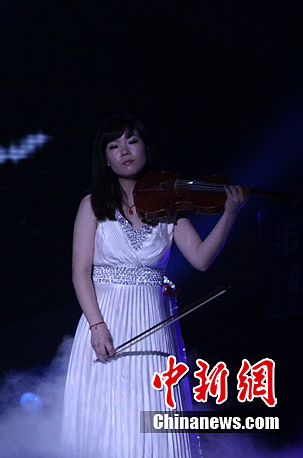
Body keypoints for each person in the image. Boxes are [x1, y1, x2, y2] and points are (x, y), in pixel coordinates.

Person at [60, 113, 248, 458]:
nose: (125, 151)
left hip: (153, 321)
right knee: (111, 420)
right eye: (114, 146)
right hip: (106, 318)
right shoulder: (92, 205)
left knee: (153, 414)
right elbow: (80, 271)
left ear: (146, 148)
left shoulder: (170, 208)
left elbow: (201, 259)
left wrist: (230, 214)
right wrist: (97, 326)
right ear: (105, 158)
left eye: (132, 141)